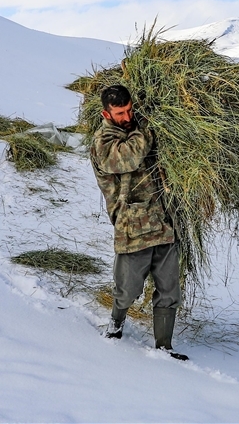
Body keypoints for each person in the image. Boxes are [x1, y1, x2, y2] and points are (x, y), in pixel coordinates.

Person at [89, 84, 188, 361]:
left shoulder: (135, 128)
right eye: (120, 113)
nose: (127, 116)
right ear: (106, 114)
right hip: (133, 227)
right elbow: (130, 157)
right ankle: (116, 323)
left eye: (130, 110)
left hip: (162, 222)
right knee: (128, 289)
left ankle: (164, 346)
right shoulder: (102, 143)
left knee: (169, 289)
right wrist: (148, 128)